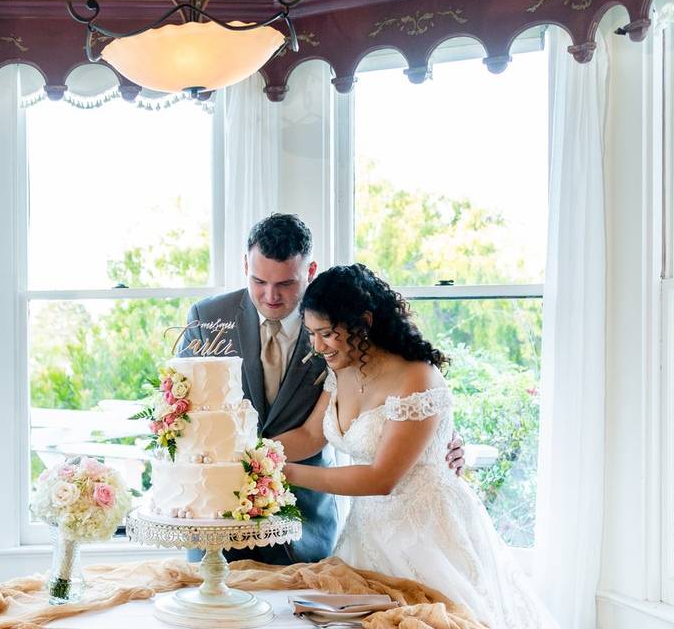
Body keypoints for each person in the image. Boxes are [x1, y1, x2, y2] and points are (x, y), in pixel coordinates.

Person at [274, 264, 559, 628]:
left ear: (364, 321)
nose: (318, 346)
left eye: (327, 333)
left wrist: (287, 473)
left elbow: (382, 479)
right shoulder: (341, 368)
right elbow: (310, 436)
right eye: (312, 334)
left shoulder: (417, 377)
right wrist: (255, 454)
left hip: (427, 534)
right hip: (367, 532)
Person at [179, 214, 465, 565]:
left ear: (309, 271)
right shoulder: (209, 319)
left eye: (285, 283)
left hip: (309, 525)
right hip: (217, 519)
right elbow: (185, 410)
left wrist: (443, 439)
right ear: (245, 266)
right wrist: (237, 462)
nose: (271, 296)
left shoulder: (337, 319)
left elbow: (410, 404)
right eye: (258, 280)